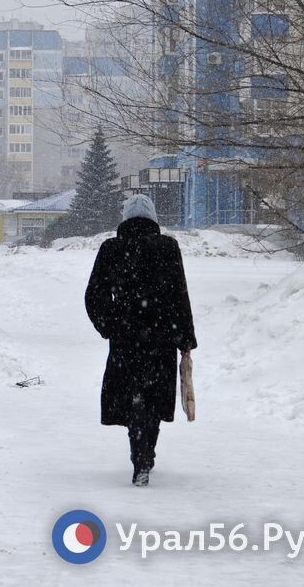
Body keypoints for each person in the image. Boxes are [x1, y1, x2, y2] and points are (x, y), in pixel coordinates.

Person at [84, 194, 197, 487]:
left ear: (125, 219)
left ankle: (140, 456)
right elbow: (179, 294)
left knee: (133, 397)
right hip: (161, 336)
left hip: (125, 339)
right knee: (154, 400)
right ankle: (147, 454)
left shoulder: (112, 248)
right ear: (153, 218)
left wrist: (109, 325)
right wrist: (184, 337)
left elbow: (94, 295)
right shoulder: (168, 248)